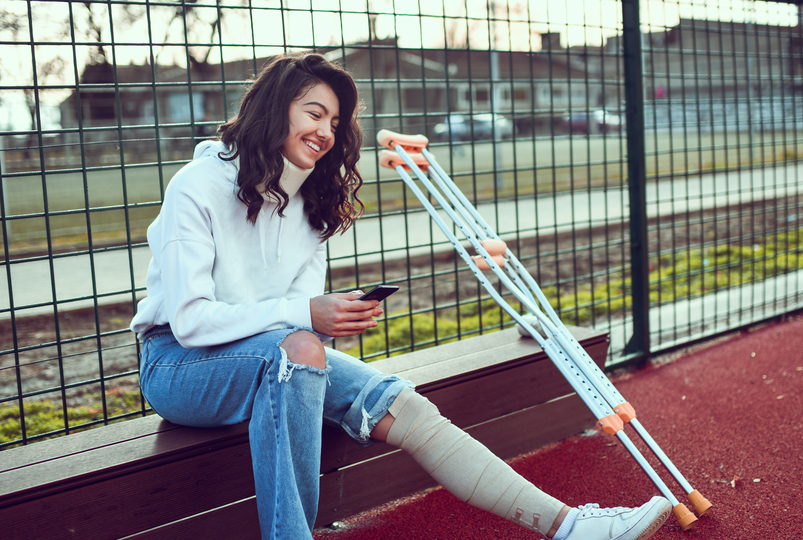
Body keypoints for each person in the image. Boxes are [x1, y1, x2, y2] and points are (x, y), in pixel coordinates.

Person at [130, 51, 672, 540]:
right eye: (313, 113)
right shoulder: (197, 187)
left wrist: (329, 318)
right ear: (275, 109)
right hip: (178, 367)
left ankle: (571, 527)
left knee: (405, 405)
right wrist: (305, 320)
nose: (324, 131)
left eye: (335, 122)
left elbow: (299, 329)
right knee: (295, 351)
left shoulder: (308, 203)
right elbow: (191, 322)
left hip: (276, 358)